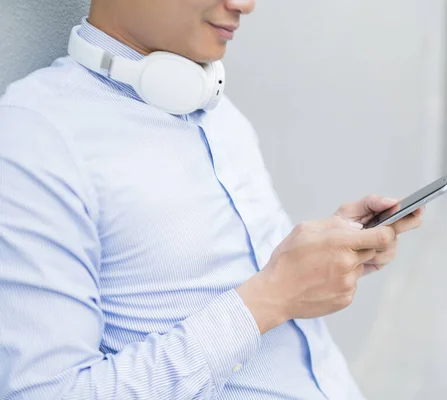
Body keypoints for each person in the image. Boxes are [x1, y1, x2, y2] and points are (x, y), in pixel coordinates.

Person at [0, 1, 424, 399]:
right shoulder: (35, 137)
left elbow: (262, 277)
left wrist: (323, 256)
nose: (246, 3)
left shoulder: (218, 111)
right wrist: (272, 297)